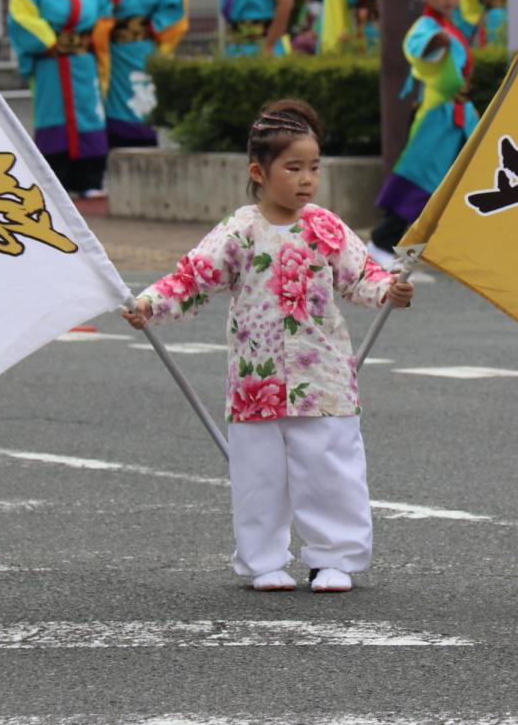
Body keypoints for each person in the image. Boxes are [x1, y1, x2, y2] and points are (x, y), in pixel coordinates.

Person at [123, 99, 413, 594]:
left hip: (322, 374)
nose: (306, 179)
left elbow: (361, 274)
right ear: (259, 171)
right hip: (256, 380)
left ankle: (333, 557)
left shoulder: (325, 227)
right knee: (259, 477)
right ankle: (263, 560)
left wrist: (389, 290)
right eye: (293, 168)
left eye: (314, 168)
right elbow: (194, 277)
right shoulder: (240, 230)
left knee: (331, 469)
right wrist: (150, 302)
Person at [367, 0, 479, 265]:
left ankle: (452, 251)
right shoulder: (427, 27)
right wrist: (435, 43)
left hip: (461, 117)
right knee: (418, 179)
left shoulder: (452, 27)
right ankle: (381, 243)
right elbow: (417, 48)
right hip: (437, 115)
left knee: (463, 182)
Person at [8, 0, 111, 199]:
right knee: (53, 117)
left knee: (89, 115)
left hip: (83, 64)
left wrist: (94, 38)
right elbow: (19, 17)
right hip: (50, 66)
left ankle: (90, 178)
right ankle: (58, 182)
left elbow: (104, 17)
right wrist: (48, 38)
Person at [83, 0, 189, 149]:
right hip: (108, 54)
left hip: (142, 51)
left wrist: (155, 25)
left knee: (143, 104)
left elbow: (175, 4)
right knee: (107, 103)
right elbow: (79, 7)